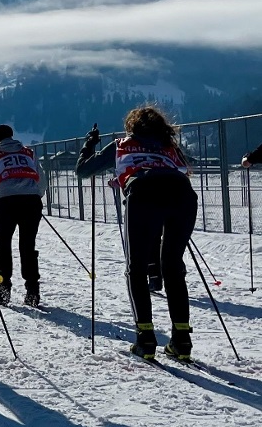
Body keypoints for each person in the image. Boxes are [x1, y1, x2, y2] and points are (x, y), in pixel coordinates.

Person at [77, 106, 198, 361]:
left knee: (136, 267)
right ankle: (182, 340)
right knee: (174, 267)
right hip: (182, 193)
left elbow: (83, 170)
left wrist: (89, 144)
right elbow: (187, 167)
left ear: (132, 126)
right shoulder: (169, 146)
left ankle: (145, 339)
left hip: (143, 192)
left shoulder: (121, 143)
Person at [0, 124, 47, 307]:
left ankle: (3, 290)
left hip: (6, 202)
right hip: (31, 201)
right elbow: (41, 178)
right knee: (28, 246)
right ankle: (32, 291)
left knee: (2, 246)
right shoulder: (29, 153)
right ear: (12, 137)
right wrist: (36, 194)